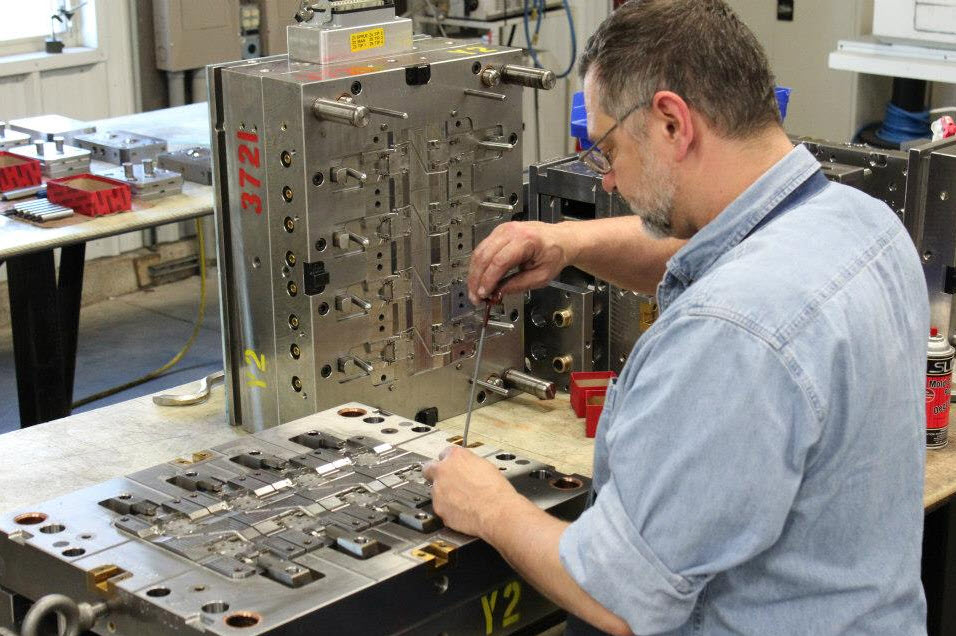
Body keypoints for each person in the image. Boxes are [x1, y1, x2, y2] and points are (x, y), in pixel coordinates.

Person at [423, 0, 930, 634]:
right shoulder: (862, 222)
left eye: (607, 150)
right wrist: (566, 242)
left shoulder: (732, 329)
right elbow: (712, 252)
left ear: (671, 123)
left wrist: (489, 506)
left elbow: (621, 598)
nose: (607, 180)